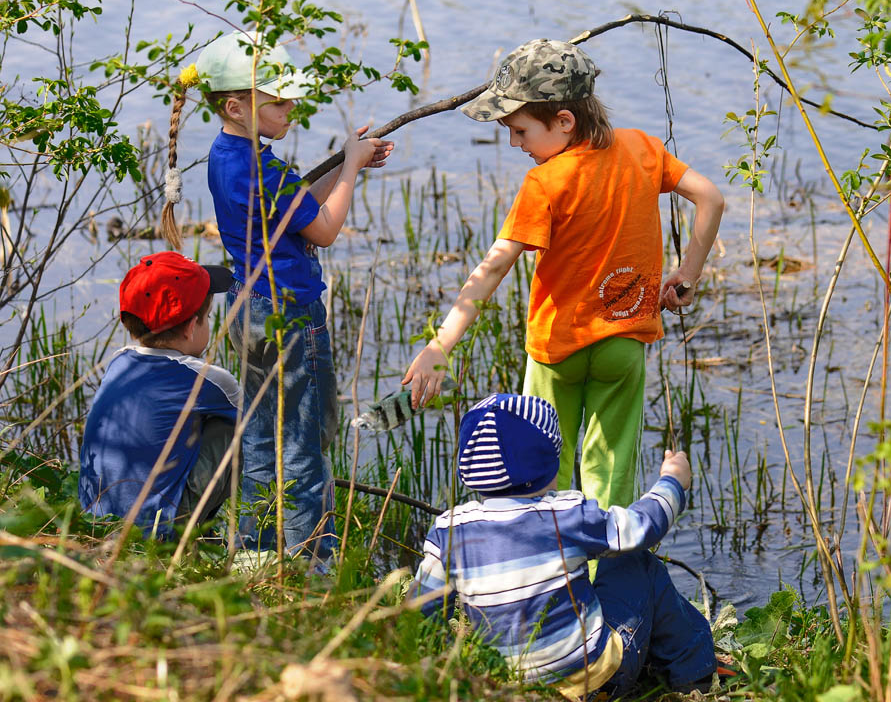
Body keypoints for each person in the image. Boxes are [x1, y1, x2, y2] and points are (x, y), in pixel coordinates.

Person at [403, 39, 725, 510]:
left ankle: (553, 572)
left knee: (543, 464)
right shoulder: (642, 149)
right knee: (610, 467)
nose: (515, 143)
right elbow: (711, 199)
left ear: (564, 122)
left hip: (558, 349)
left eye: (520, 131)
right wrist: (687, 275)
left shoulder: (545, 183)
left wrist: (440, 345)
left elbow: (493, 267)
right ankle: (604, 570)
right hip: (624, 341)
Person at [158, 31, 394, 559]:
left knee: (262, 438)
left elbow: (296, 209)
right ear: (238, 106)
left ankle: (257, 553)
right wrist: (352, 168)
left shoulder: (229, 156)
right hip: (291, 315)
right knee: (305, 447)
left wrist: (340, 163)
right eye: (279, 100)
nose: (292, 108)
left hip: (250, 309)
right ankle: (312, 563)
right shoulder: (262, 167)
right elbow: (325, 228)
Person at [410, 393, 716, 699]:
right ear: (548, 465)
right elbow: (641, 528)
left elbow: (421, 611)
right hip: (594, 683)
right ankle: (693, 674)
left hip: (503, 687)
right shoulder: (564, 515)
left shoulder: (450, 530)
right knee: (633, 561)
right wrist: (672, 481)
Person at [79, 251, 238, 537]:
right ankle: (250, 538)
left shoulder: (119, 362)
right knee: (242, 434)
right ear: (191, 328)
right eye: (209, 317)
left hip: (96, 523)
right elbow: (259, 423)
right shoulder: (206, 378)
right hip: (154, 532)